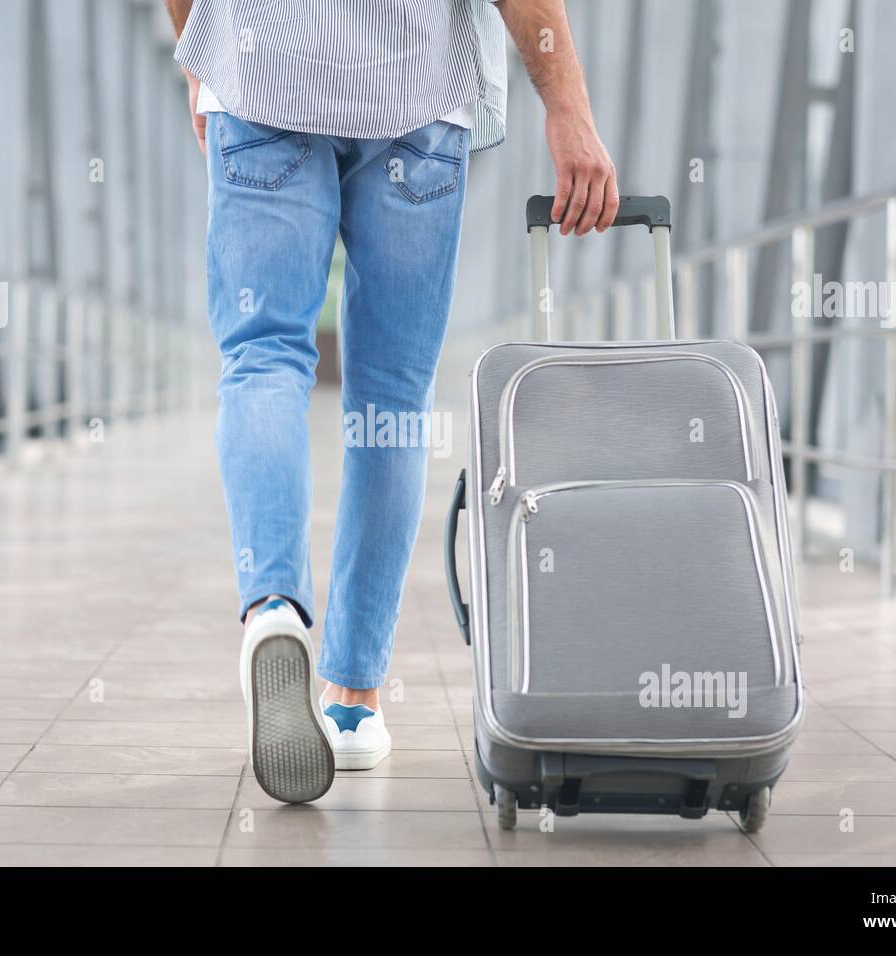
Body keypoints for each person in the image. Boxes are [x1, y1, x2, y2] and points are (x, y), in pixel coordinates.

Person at [164, 0, 619, 803]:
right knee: (392, 398)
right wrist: (568, 108)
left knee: (263, 359)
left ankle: (273, 606)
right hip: (415, 98)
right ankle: (353, 701)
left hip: (261, 72)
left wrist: (204, 53)